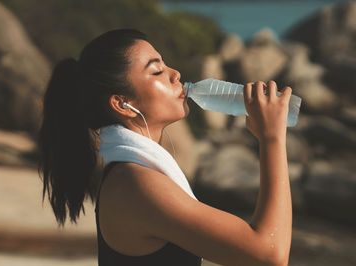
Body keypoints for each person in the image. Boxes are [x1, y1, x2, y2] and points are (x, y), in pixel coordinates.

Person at [37, 28, 292, 266]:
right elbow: (268, 254)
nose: (175, 74)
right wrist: (271, 139)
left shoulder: (135, 174)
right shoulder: (136, 183)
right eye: (157, 71)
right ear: (122, 104)